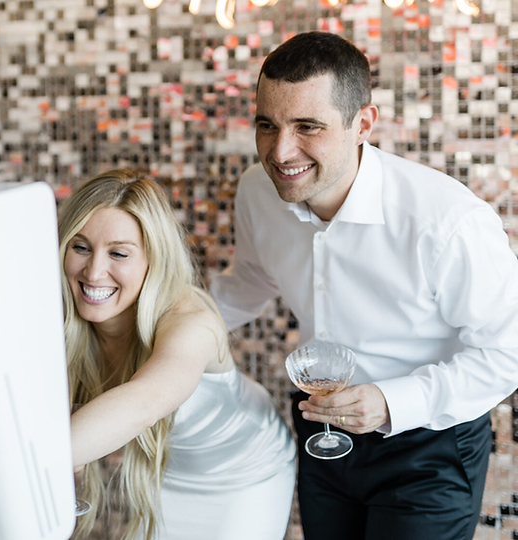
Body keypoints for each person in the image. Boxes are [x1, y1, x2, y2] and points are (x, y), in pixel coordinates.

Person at [211, 30, 518, 540]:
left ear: (362, 124)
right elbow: (249, 279)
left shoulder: (447, 220)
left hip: (428, 447)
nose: (281, 151)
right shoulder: (256, 191)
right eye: (267, 125)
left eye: (307, 126)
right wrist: (155, 326)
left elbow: (509, 351)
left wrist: (392, 402)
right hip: (322, 432)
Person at [58, 169, 296, 540]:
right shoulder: (57, 312)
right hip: (168, 473)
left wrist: (36, 463)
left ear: (154, 259)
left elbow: (144, 403)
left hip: (241, 476)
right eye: (81, 247)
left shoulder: (191, 321)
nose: (94, 271)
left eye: (118, 253)